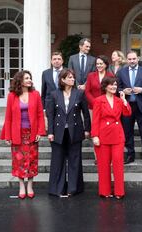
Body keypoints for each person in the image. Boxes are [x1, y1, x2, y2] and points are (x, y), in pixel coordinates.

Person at [0, 70, 46, 199]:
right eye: (26, 78)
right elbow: (8, 117)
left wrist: (40, 132)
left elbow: (40, 115)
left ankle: (30, 186)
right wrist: (7, 135)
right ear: (20, 80)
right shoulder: (12, 96)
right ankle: (21, 186)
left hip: (31, 133)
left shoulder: (35, 94)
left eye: (30, 78)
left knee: (32, 160)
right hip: (17, 134)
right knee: (19, 161)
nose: (29, 80)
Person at [46, 69, 91, 197]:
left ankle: (73, 188)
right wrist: (50, 132)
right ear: (63, 80)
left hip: (75, 131)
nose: (72, 79)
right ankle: (57, 189)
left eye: (73, 77)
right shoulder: (54, 94)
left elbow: (86, 114)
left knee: (74, 160)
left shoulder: (79, 93)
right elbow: (51, 115)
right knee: (57, 160)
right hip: (58, 131)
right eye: (69, 77)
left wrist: (87, 129)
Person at [91, 77, 132, 199]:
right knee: (103, 165)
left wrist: (124, 101)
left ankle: (119, 191)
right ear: (105, 86)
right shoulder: (98, 100)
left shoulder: (119, 100)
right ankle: (105, 191)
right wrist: (95, 136)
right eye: (111, 85)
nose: (113, 87)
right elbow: (95, 119)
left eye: (115, 85)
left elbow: (127, 113)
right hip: (103, 135)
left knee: (118, 164)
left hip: (117, 135)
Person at [117, 50, 142, 165]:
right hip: (127, 106)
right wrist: (122, 91)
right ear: (127, 60)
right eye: (129, 59)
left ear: (137, 59)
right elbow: (116, 87)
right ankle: (130, 155)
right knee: (127, 132)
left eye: (134, 59)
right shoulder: (121, 72)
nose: (132, 61)